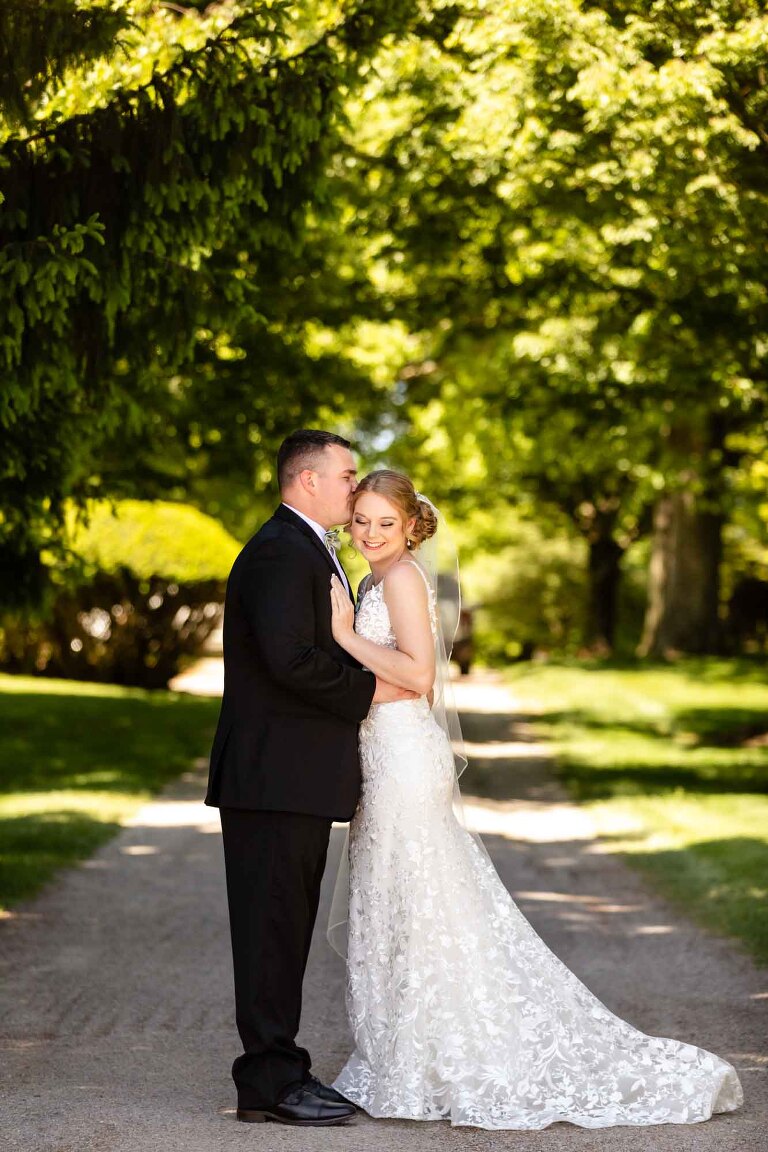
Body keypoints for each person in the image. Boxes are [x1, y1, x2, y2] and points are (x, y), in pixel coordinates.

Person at [327, 468, 744, 1131]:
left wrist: (346, 639)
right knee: (397, 905)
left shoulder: (402, 580)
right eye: (362, 521)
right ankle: (403, 1056)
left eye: (385, 522)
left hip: (406, 758)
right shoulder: (374, 580)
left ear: (411, 525)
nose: (372, 534)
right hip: (383, 758)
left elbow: (418, 676)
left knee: (422, 903)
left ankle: (442, 1057)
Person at [205, 431, 414, 1127]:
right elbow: (290, 661)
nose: (355, 489)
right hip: (270, 777)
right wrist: (374, 693)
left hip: (287, 777)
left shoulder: (304, 546)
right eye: (347, 475)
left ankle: (283, 1069)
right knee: (270, 929)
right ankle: (267, 1082)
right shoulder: (277, 552)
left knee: (284, 927)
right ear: (307, 480)